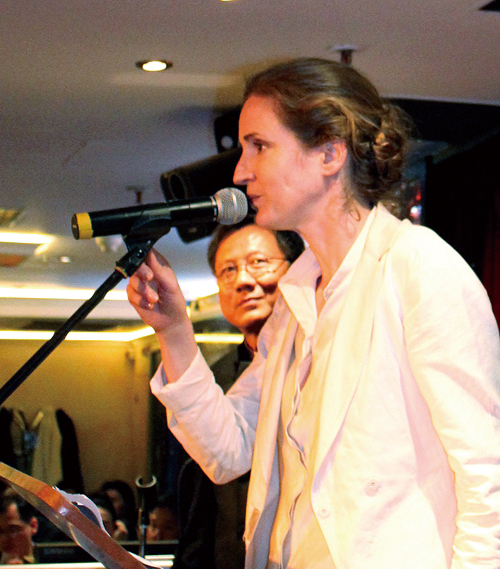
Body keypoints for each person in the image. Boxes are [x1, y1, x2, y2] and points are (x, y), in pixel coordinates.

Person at [127, 57, 500, 569]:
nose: (240, 172)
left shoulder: (417, 266)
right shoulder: (295, 299)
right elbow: (228, 451)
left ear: (329, 152)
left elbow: (487, 472)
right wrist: (173, 331)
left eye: (259, 146)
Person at [173, 219, 304, 569]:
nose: (243, 281)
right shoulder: (208, 380)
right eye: (228, 270)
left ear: (297, 270)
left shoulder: (319, 360)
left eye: (258, 262)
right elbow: (200, 506)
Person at [0, 494, 38, 564]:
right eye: (0, 532)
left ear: (33, 526)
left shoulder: (52, 561)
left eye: (12, 530)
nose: (4, 539)